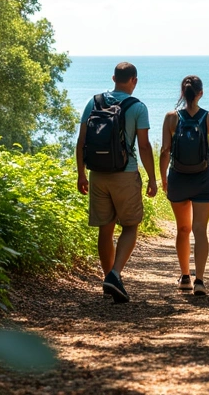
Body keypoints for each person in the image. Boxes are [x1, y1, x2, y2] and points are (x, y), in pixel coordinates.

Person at [76, 61, 157, 304]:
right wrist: (152, 178)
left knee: (105, 228)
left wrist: (81, 174)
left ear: (113, 78)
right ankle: (115, 274)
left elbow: (81, 141)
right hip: (125, 174)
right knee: (130, 226)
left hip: (98, 174)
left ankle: (109, 279)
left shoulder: (94, 102)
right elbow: (144, 146)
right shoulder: (138, 107)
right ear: (134, 80)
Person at [159, 75, 209, 296]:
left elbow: (165, 151)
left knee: (183, 229)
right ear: (201, 93)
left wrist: (163, 178)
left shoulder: (171, 118)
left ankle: (184, 277)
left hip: (178, 179)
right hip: (204, 179)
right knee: (200, 230)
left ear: (183, 92)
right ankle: (200, 280)